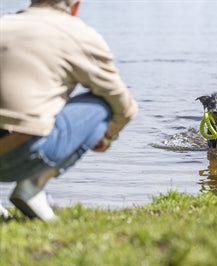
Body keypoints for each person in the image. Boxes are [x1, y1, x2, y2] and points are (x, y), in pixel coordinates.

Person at [0, 0, 138, 220]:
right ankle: (32, 186)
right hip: (20, 155)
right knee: (102, 105)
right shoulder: (77, 34)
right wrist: (108, 135)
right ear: (76, 7)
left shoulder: (4, 23)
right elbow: (126, 107)